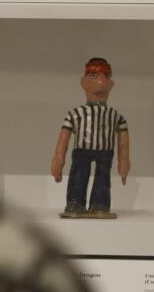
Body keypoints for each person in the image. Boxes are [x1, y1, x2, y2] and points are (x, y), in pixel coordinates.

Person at [50, 57, 129, 219]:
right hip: (82, 150)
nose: (101, 82)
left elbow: (123, 141)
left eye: (105, 77)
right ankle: (75, 202)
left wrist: (124, 160)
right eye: (94, 76)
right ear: (83, 82)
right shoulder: (75, 114)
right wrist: (58, 159)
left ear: (110, 84)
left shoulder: (115, 116)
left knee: (103, 177)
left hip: (105, 151)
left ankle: (100, 204)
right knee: (79, 174)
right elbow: (63, 140)